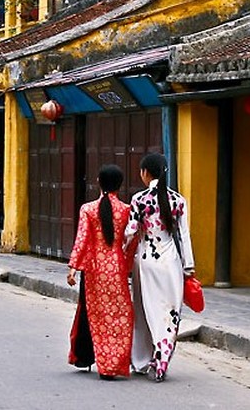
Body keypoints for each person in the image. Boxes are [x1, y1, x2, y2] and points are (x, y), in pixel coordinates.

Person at [125, 152, 195, 382]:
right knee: (169, 313)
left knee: (145, 311)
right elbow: (184, 235)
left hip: (146, 261)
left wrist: (121, 252)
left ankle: (142, 360)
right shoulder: (178, 200)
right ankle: (162, 359)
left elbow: (130, 232)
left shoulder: (139, 199)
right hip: (171, 263)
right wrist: (189, 267)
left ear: (146, 173)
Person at [66, 164, 134, 380]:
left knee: (93, 315)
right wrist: (129, 265)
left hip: (94, 270)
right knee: (118, 316)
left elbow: (82, 239)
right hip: (117, 270)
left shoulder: (88, 209)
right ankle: (112, 363)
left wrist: (73, 268)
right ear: (120, 185)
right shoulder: (126, 210)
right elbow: (130, 240)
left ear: (98, 181)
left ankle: (90, 358)